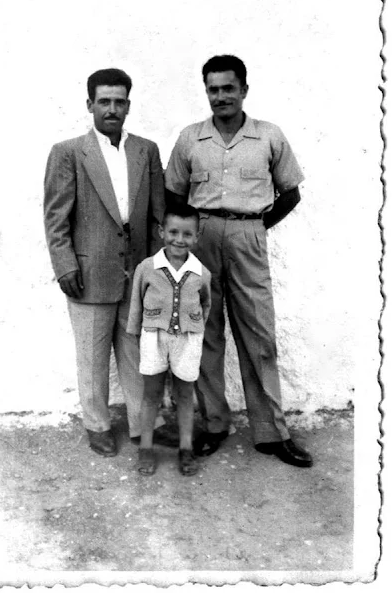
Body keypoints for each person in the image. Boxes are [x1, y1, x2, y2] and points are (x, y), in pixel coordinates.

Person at [164, 55, 313, 468]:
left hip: (249, 236)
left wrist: (256, 228)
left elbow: (291, 192)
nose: (220, 96)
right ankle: (214, 425)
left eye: (228, 88)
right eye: (213, 89)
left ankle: (271, 432)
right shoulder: (191, 138)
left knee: (258, 335)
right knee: (204, 333)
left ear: (244, 90)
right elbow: (174, 194)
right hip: (202, 238)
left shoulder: (268, 136)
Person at [44, 68, 165, 457]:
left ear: (128, 105)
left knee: (136, 350)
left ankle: (142, 424)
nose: (111, 109)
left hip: (136, 270)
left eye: (119, 102)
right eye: (104, 101)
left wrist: (158, 268)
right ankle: (97, 425)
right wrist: (65, 265)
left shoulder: (146, 150)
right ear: (90, 105)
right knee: (92, 355)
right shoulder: (68, 153)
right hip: (88, 272)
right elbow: (56, 218)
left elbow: (158, 216)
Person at [127, 203, 211, 476]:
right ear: (162, 231)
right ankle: (146, 447)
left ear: (196, 236)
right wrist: (137, 333)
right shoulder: (147, 268)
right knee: (151, 394)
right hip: (154, 338)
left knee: (185, 394)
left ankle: (185, 449)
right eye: (173, 232)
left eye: (187, 234)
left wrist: (195, 330)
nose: (179, 239)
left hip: (187, 340)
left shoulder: (201, 273)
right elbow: (136, 303)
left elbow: (206, 305)